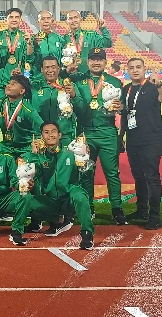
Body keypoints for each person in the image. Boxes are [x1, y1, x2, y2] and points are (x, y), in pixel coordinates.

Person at [68, 48, 127, 224]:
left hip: (108, 131)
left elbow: (122, 105)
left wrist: (120, 107)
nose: (96, 62)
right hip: (85, 132)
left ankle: (116, 208)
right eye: (93, 59)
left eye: (99, 59)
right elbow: (76, 106)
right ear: (88, 62)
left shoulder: (115, 82)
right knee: (86, 172)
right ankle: (88, 207)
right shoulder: (78, 80)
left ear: (105, 62)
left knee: (112, 173)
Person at [23, 121, 94, 250]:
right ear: (41, 137)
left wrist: (85, 158)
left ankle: (87, 234)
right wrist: (33, 154)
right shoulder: (39, 155)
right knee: (23, 201)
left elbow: (87, 173)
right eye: (46, 132)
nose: (50, 135)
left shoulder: (71, 152)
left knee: (80, 195)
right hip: (50, 200)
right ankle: (58, 220)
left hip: (68, 198)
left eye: (53, 131)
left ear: (60, 135)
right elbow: (31, 174)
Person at [120, 58, 162, 230]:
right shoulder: (126, 89)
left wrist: (160, 85)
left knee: (152, 177)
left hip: (151, 140)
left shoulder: (152, 86)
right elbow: (125, 116)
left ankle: (155, 215)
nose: (135, 70)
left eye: (138, 67)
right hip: (133, 140)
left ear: (144, 69)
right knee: (138, 177)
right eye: (132, 68)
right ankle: (142, 210)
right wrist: (121, 137)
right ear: (127, 70)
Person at [30, 56, 86, 147]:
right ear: (41, 70)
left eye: (53, 67)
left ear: (59, 69)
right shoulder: (35, 87)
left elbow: (81, 110)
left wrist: (73, 96)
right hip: (42, 137)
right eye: (47, 67)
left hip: (64, 136)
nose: (50, 70)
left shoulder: (69, 86)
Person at [0, 8, 34, 103]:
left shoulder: (24, 37)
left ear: (20, 20)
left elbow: (29, 59)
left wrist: (29, 44)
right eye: (11, 17)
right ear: (6, 19)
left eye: (17, 17)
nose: (14, 20)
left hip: (16, 82)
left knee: (14, 113)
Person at [32, 10, 65, 77]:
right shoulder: (33, 40)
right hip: (39, 77)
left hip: (57, 76)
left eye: (48, 18)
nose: (46, 21)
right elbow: (30, 59)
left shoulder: (60, 39)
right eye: (42, 19)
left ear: (52, 21)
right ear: (38, 22)